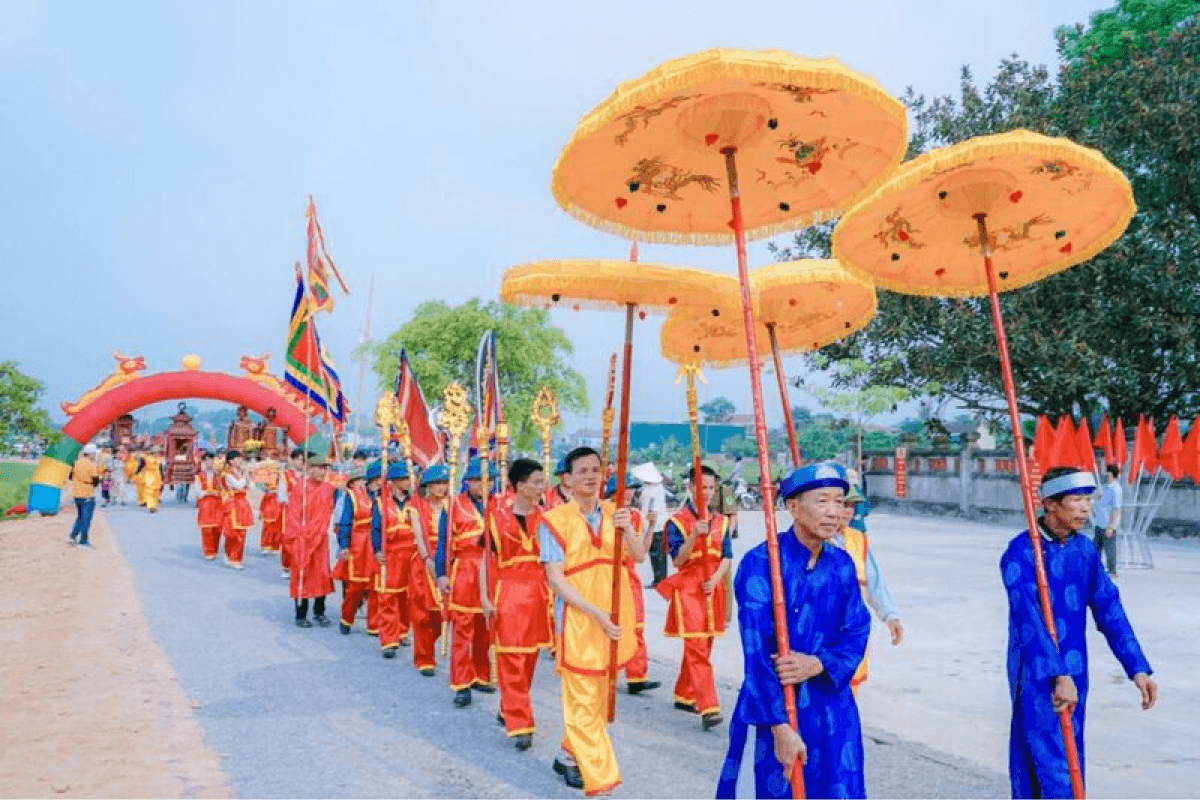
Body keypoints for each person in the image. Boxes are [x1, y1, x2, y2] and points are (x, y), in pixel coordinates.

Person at [717, 463, 871, 800]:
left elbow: (858, 627)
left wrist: (818, 663)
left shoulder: (842, 563)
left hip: (832, 706)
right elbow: (756, 652)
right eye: (822, 501)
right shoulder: (761, 565)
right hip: (776, 706)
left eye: (840, 502)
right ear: (792, 507)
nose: (834, 512)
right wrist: (780, 727)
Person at [1000, 466, 1156, 798]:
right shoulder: (1021, 553)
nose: (1086, 508)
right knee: (1051, 759)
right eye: (1076, 500)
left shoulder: (1084, 551)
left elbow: (1109, 608)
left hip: (1076, 670)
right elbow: (1028, 622)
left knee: (1070, 755)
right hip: (1037, 671)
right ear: (1050, 504)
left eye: (1089, 500)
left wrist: (1137, 667)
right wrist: (1057, 674)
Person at [540, 446, 646, 794]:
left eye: (596, 470)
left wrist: (627, 529)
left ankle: (568, 756)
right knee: (583, 695)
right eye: (582, 470)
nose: (590, 475)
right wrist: (597, 613)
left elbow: (640, 557)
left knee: (598, 696)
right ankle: (601, 779)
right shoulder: (554, 520)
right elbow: (556, 579)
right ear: (567, 480)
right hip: (579, 618)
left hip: (616, 616)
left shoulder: (616, 513)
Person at [479, 458, 554, 751]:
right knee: (511, 658)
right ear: (520, 485)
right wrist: (485, 597)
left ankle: (508, 705)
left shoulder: (547, 518)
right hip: (508, 593)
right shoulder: (496, 518)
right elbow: (486, 561)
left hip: (538, 595)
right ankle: (520, 723)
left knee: (528, 660)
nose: (540, 486)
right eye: (536, 481)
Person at [656, 465, 731, 731]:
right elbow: (677, 559)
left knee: (704, 646)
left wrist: (717, 577)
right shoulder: (676, 522)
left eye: (712, 488)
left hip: (713, 589)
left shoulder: (721, 521)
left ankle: (685, 693)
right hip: (689, 590)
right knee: (697, 648)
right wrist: (694, 536)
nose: (707, 493)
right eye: (702, 488)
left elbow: (727, 557)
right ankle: (709, 706)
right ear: (690, 488)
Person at [435, 457, 494, 707]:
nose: (484, 485)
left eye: (489, 480)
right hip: (465, 570)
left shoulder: (501, 504)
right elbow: (442, 543)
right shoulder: (453, 505)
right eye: (479, 480)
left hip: (491, 570)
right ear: (468, 482)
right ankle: (461, 683)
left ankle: (482, 674)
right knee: (463, 630)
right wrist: (441, 572)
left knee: (486, 629)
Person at [835, 484, 904, 694]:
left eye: (851, 506)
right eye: (842, 504)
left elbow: (874, 582)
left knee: (850, 686)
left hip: (853, 625)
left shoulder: (858, 540)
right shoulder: (815, 541)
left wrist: (890, 615)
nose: (847, 511)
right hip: (823, 627)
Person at [602, 473, 661, 698]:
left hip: (630, 576)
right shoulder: (603, 512)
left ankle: (637, 676)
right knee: (611, 626)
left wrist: (651, 527)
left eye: (633, 489)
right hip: (608, 575)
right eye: (627, 488)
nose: (631, 492)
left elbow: (640, 554)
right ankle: (607, 671)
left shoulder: (634, 515)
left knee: (636, 625)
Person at [373, 461, 418, 657]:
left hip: (411, 554)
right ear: (395, 481)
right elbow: (375, 529)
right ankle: (388, 640)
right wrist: (376, 550)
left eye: (409, 478)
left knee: (407, 597)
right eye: (405, 479)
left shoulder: (414, 502)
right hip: (390, 554)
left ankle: (402, 630)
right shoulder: (381, 502)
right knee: (388, 596)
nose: (409, 482)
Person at [286, 455, 336, 627]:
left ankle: (319, 611)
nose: (322, 472)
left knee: (321, 575)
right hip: (304, 537)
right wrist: (299, 533)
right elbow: (293, 512)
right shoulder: (301, 486)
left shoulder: (328, 488)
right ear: (310, 468)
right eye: (319, 468)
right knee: (302, 574)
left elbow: (329, 512)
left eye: (325, 468)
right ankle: (300, 614)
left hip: (320, 538)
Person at [409, 465, 449, 676]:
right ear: (428, 486)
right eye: (437, 483)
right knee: (423, 614)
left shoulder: (452, 506)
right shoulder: (417, 507)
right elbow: (418, 537)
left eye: (444, 483)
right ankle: (424, 657)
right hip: (424, 562)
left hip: (447, 560)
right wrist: (427, 559)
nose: (441, 488)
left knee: (444, 613)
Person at [333, 464, 380, 634]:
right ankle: (346, 618)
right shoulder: (352, 497)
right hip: (359, 545)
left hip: (377, 545)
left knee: (376, 586)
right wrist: (344, 545)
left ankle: (374, 624)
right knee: (355, 587)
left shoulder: (385, 496)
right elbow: (345, 522)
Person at [635, 462, 670, 587]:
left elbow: (649, 509)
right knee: (659, 554)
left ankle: (659, 580)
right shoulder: (656, 488)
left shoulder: (651, 490)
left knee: (657, 555)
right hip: (658, 524)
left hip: (655, 526)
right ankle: (660, 578)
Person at [219, 450, 254, 569]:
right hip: (233, 504)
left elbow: (251, 486)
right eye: (237, 459)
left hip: (242, 504)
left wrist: (248, 476)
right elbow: (237, 485)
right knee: (233, 533)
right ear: (231, 461)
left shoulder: (238, 472)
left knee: (242, 532)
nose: (240, 461)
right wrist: (245, 475)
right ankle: (230, 555)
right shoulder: (227, 473)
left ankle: (236, 558)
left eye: (240, 459)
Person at [1092, 464, 1122, 577]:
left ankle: (1112, 571)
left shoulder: (1116, 489)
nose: (1106, 476)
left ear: (1114, 476)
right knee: (1096, 548)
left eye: (1108, 475)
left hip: (1108, 524)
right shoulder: (1104, 487)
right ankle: (1095, 570)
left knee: (1110, 550)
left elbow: (1116, 508)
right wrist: (1096, 495)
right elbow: (1093, 498)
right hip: (1099, 523)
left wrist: (1111, 526)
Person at [194, 452, 224, 559]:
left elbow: (224, 488)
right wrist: (209, 492)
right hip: (206, 503)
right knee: (207, 528)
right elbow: (198, 491)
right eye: (207, 460)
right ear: (203, 462)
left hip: (218, 503)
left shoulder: (219, 475)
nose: (210, 463)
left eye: (212, 460)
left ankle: (214, 549)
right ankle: (208, 551)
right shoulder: (199, 476)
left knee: (217, 527)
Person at [69, 445, 99, 549]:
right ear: (90, 454)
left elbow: (70, 476)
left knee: (80, 516)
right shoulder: (91, 465)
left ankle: (73, 536)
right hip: (87, 493)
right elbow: (95, 480)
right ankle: (83, 540)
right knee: (86, 518)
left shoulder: (76, 463)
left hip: (76, 493)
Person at [258, 455, 285, 554]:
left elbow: (283, 487)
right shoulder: (264, 474)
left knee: (277, 523)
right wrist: (265, 487)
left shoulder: (281, 475)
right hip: (268, 500)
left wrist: (277, 491)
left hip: (277, 500)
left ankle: (275, 545)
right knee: (268, 523)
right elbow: (261, 486)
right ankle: (266, 544)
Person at [139, 447, 164, 512]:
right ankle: (151, 506)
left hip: (156, 475)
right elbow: (141, 466)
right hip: (150, 475)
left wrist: (162, 478)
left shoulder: (159, 459)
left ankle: (154, 506)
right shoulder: (146, 458)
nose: (156, 454)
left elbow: (161, 469)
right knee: (149, 490)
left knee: (156, 491)